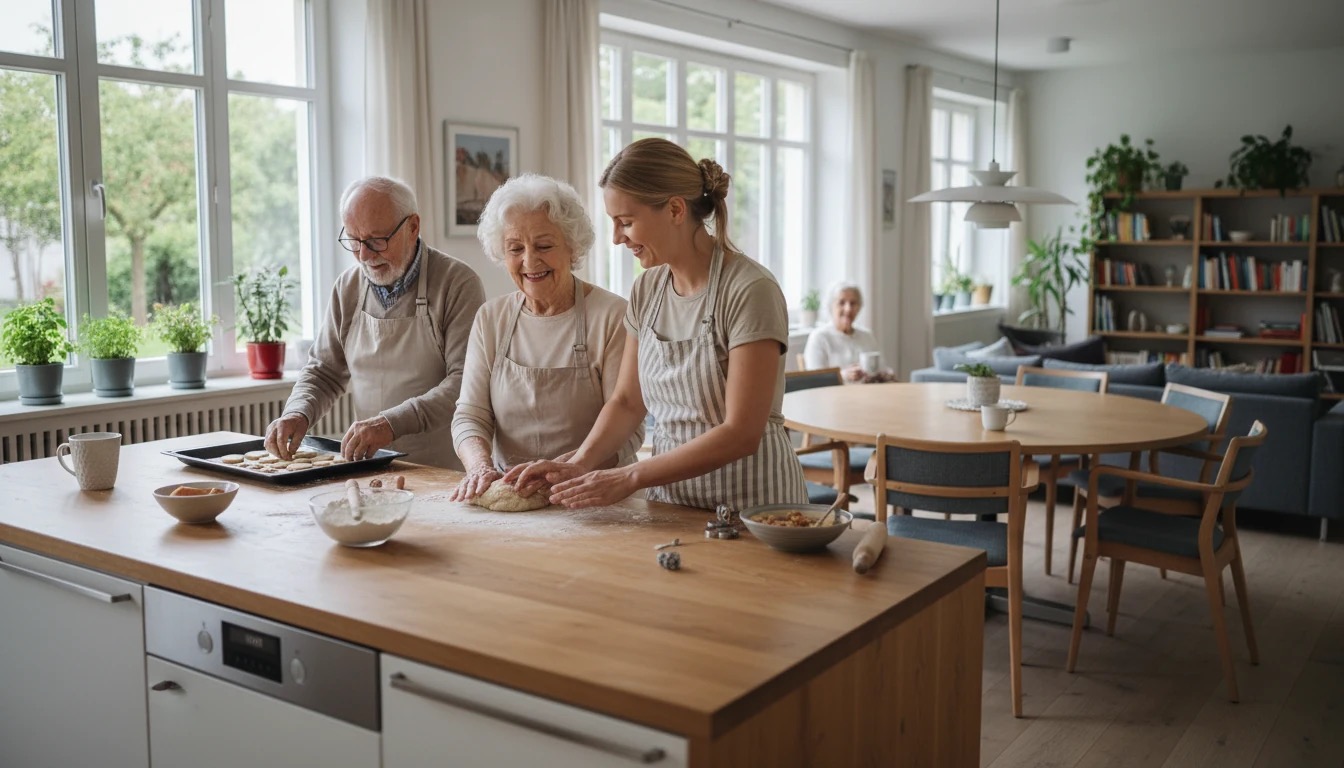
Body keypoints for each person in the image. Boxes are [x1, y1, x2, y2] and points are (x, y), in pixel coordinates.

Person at [505, 138, 807, 510]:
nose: (617, 238)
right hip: (672, 505)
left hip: (756, 509)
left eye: (626, 222)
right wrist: (579, 463)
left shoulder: (749, 289)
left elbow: (741, 432)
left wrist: (631, 476)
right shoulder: (647, 289)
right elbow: (627, 402)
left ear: (676, 210)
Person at [264, 176, 485, 469]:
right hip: (370, 467)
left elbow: (464, 385)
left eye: (376, 240)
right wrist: (297, 412)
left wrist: (391, 423)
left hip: (441, 470)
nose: (364, 255)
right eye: (354, 241)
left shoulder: (457, 284)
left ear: (413, 227)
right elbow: (324, 372)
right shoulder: (347, 288)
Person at [449, 174, 642, 501]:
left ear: (572, 246)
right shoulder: (491, 319)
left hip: (596, 497)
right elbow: (470, 415)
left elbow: (628, 429)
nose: (529, 261)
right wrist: (480, 467)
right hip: (512, 494)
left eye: (544, 246)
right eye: (515, 248)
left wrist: (566, 471)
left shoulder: (613, 316)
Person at [802, 281, 880, 381]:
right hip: (834, 391)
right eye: (841, 303)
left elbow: (882, 369)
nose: (848, 309)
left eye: (853, 303)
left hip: (869, 390)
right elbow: (815, 379)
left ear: (859, 307)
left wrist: (886, 375)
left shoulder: (867, 336)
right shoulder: (819, 337)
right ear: (831, 306)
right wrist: (842, 376)